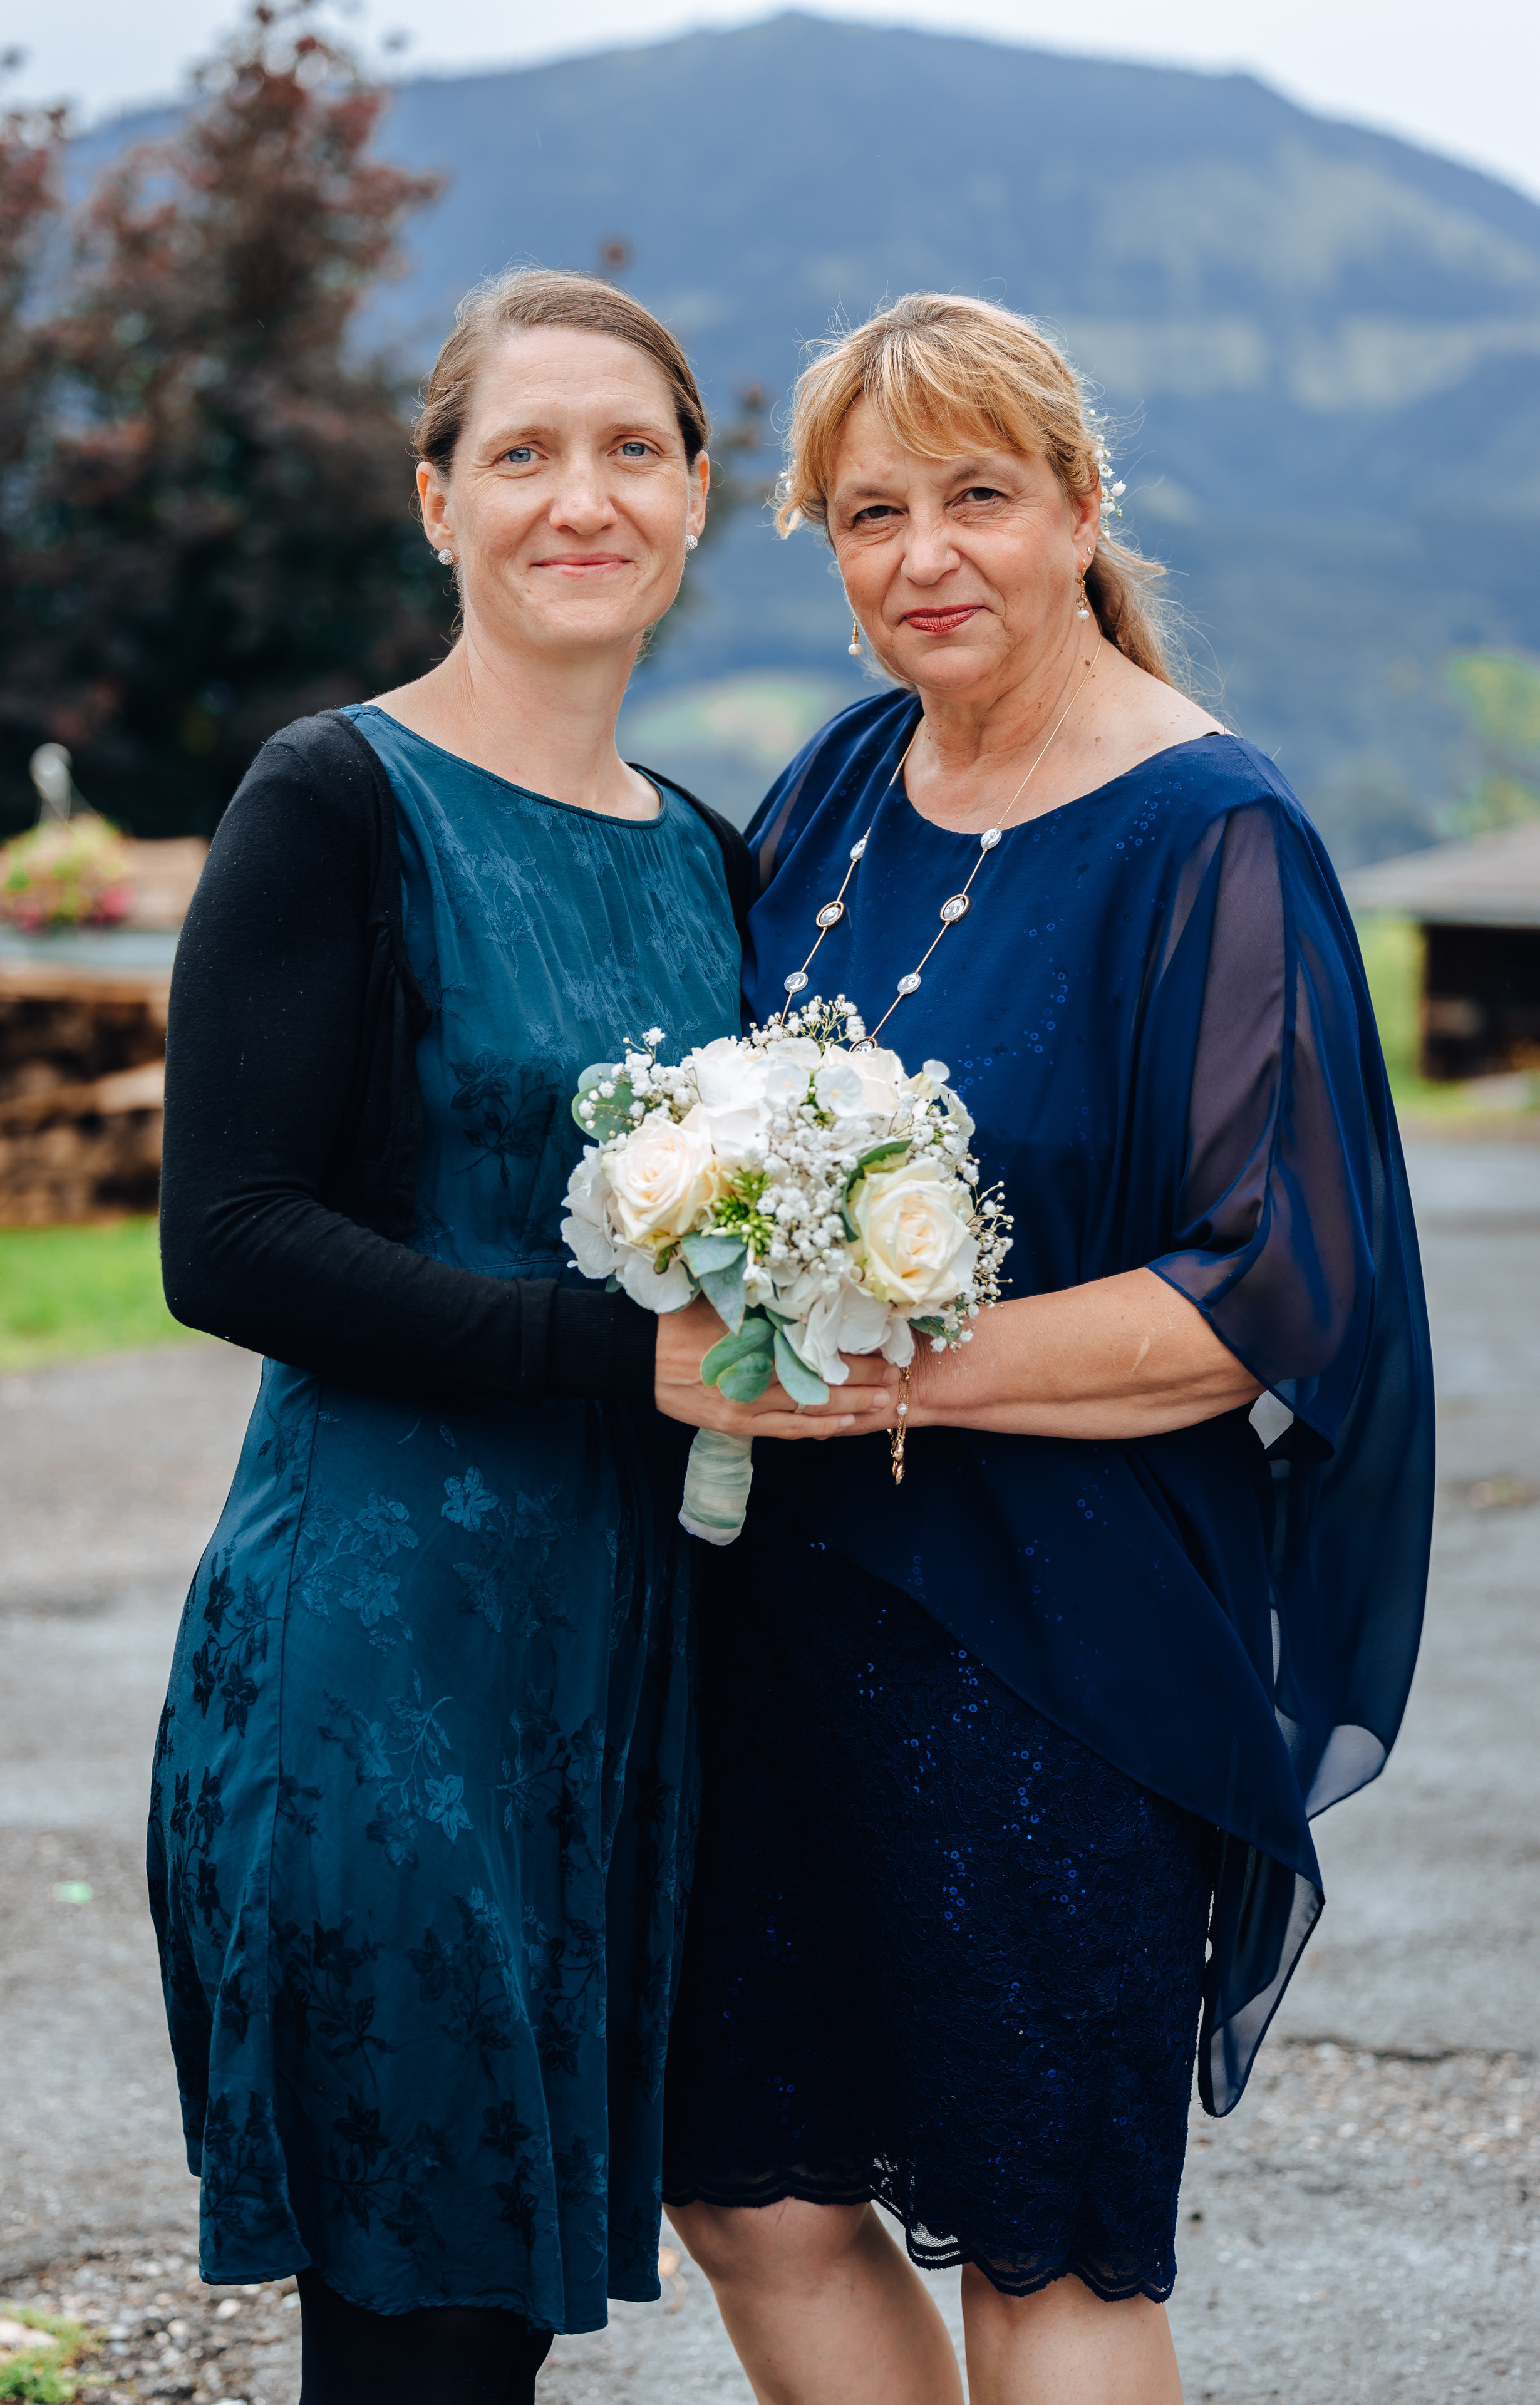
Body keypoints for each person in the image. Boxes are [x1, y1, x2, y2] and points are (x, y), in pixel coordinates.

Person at [661, 293, 1433, 2405]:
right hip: (774, 1630)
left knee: (1045, 2244)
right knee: (757, 2194)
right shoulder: (835, 782)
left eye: (980, 498)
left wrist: (881, 1366)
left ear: (1084, 510)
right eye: (872, 511)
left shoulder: (1212, 834)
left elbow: (1260, 1291)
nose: (926, 556)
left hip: (1053, 1661)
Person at [150, 267, 889, 2405]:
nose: (584, 497)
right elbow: (234, 1240)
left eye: (632, 451)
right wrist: (608, 1355)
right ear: (437, 503)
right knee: (428, 2345)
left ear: (689, 502)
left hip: (625, 1671)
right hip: (383, 1665)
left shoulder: (706, 864)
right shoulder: (336, 799)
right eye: (525, 453)